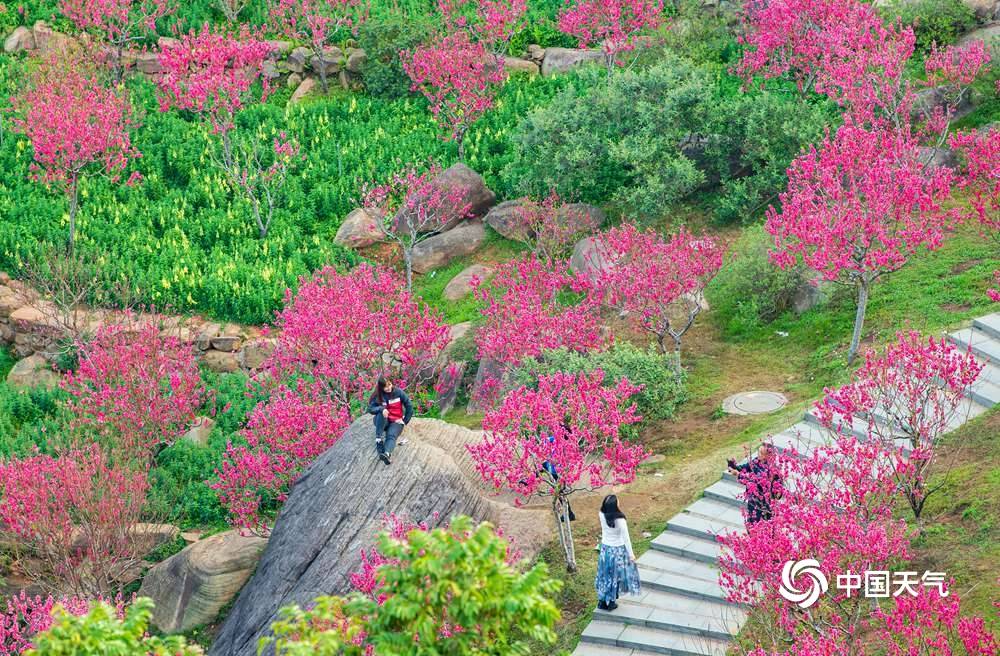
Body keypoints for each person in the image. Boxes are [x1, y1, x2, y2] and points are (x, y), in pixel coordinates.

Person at [595, 494, 641, 611]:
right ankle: (610, 602)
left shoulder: (601, 514)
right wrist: (631, 554)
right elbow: (626, 538)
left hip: (605, 549)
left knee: (604, 575)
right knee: (614, 576)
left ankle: (602, 601)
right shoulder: (620, 520)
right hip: (617, 551)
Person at [727, 442, 783, 525]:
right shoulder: (757, 461)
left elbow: (755, 482)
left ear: (769, 456)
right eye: (758, 452)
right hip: (753, 500)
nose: (758, 455)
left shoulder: (771, 469)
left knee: (762, 526)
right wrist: (733, 465)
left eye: (761, 453)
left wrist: (739, 475)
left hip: (764, 503)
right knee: (751, 523)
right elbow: (744, 468)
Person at [367, 377, 413, 466]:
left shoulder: (398, 392)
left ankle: (386, 454)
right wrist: (381, 408)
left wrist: (404, 420)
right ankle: (378, 439)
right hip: (382, 421)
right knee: (382, 412)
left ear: (391, 383)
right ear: (381, 388)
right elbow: (370, 409)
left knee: (391, 436)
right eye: (385, 387)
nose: (388, 388)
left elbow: (409, 406)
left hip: (396, 421)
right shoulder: (378, 395)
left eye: (389, 385)